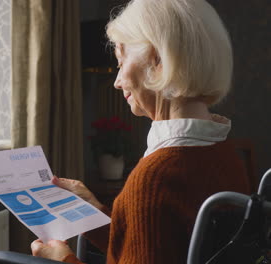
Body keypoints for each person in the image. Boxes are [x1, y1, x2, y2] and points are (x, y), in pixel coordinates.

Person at [30, 0, 251, 263]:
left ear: (158, 58)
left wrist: (64, 260)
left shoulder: (156, 177)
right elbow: (162, 246)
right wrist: (96, 214)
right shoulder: (226, 156)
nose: (116, 81)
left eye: (121, 62)